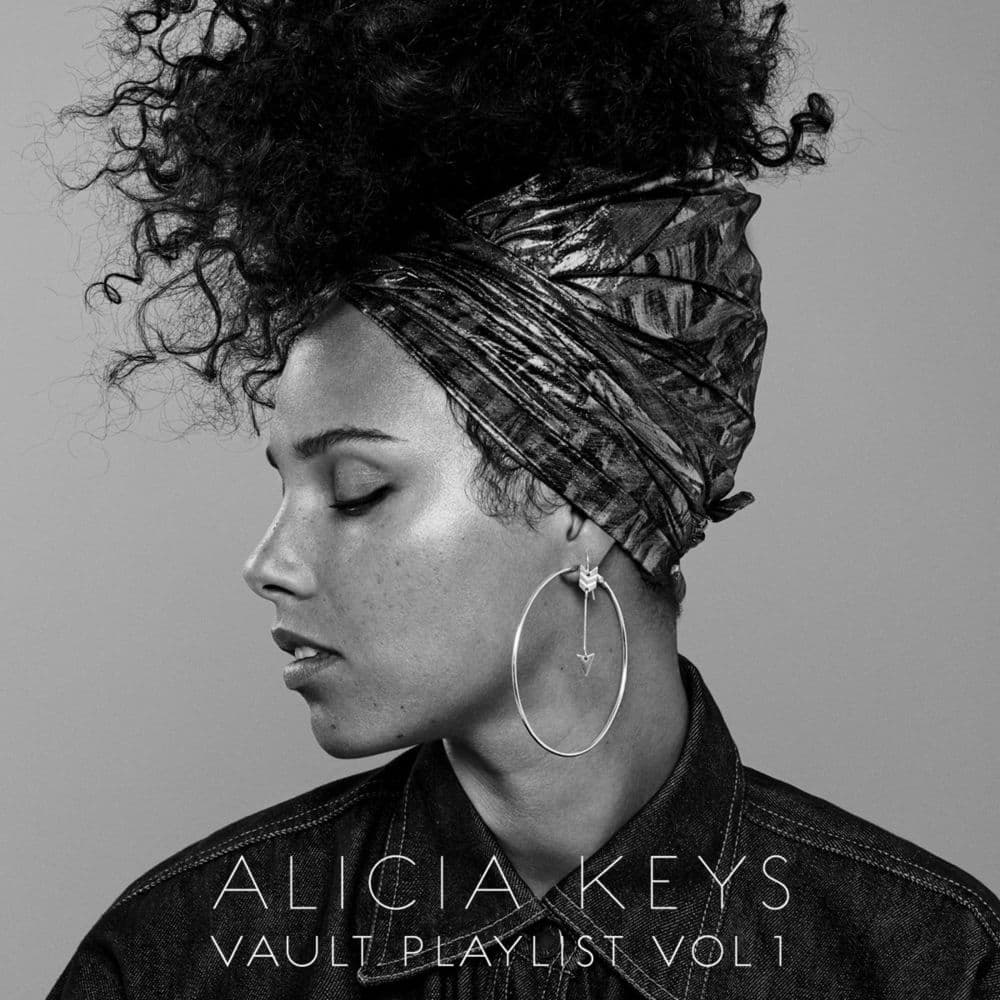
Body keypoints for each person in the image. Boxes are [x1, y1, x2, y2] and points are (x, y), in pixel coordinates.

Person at [48, 1, 999, 998]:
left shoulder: (930, 966)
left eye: (357, 490)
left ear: (582, 489)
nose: (269, 563)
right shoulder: (178, 960)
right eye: (285, 482)